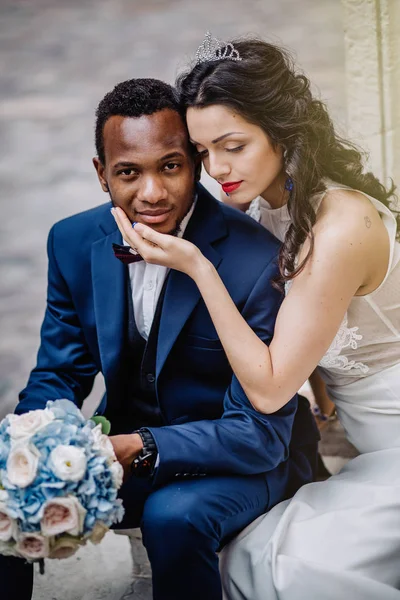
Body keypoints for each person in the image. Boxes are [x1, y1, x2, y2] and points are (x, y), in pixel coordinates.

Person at [3, 77, 318, 600]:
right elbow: (60, 372)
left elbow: (257, 435)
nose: (152, 192)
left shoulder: (258, 259)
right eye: (129, 172)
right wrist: (27, 447)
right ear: (102, 175)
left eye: (170, 166)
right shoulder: (73, 240)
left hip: (243, 460)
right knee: (5, 489)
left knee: (173, 517)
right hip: (126, 449)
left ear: (193, 163)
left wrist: (137, 446)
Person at [122, 36, 400, 599]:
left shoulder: (341, 225)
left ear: (282, 133)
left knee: (287, 567)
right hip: (366, 441)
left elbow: (272, 388)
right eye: (201, 152)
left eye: (233, 146)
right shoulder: (266, 209)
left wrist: (200, 269)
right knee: (243, 553)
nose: (216, 169)